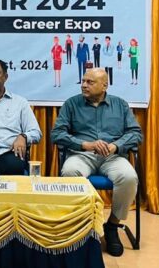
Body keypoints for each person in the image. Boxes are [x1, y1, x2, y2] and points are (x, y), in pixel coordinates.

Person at [50, 68, 142, 257]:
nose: (84, 85)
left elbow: (135, 133)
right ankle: (80, 226)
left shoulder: (120, 105)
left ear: (104, 85)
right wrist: (85, 144)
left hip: (113, 157)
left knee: (129, 177)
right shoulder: (71, 104)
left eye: (90, 82)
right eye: (83, 81)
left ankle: (112, 226)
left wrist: (116, 146)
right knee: (69, 172)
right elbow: (57, 134)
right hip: (82, 154)